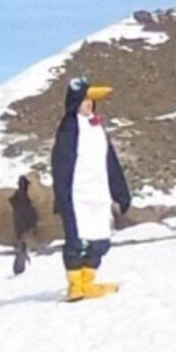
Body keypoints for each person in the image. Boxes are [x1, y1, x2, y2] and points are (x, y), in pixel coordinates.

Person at [51, 76, 130, 301]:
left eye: (91, 101)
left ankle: (88, 282)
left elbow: (110, 162)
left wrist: (120, 192)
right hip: (77, 196)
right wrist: (62, 197)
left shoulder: (96, 127)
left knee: (100, 242)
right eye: (85, 100)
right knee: (76, 243)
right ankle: (75, 285)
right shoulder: (69, 129)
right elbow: (61, 164)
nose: (90, 104)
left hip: (98, 195)